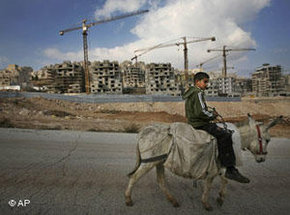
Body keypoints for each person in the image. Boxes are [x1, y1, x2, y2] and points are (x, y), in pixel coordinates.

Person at [182, 72, 250, 183]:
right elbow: (201, 112)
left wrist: (209, 113)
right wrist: (213, 115)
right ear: (197, 81)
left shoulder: (190, 93)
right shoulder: (198, 93)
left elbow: (198, 110)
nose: (206, 84)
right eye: (205, 82)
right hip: (200, 124)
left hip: (193, 122)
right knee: (225, 135)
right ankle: (230, 169)